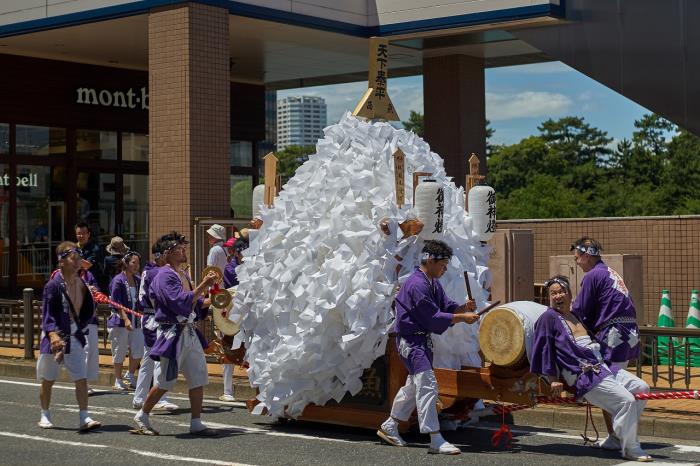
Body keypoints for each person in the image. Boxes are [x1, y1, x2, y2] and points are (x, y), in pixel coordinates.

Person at [531, 276, 651, 462]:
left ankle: (617, 437)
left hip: (602, 364)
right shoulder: (548, 317)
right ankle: (631, 447)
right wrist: (553, 378)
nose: (557, 296)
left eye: (561, 291)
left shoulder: (575, 315)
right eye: (553, 293)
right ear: (549, 298)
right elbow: (544, 348)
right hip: (582, 372)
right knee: (626, 401)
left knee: (642, 388)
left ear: (570, 295)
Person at [377, 240, 479, 455]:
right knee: (427, 384)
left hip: (420, 341)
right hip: (411, 342)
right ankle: (435, 438)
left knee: (414, 386)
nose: (445, 269)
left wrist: (463, 308)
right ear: (430, 260)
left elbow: (446, 306)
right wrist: (462, 317)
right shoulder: (417, 284)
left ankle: (390, 425)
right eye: (443, 265)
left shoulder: (431, 282)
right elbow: (432, 317)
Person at [133, 231, 219, 436]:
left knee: (198, 377)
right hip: (172, 333)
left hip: (188, 331)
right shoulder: (164, 275)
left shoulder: (183, 274)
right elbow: (180, 302)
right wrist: (203, 286)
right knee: (165, 380)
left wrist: (213, 300)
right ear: (166, 253)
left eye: (183, 248)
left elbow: (194, 304)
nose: (182, 251)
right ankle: (142, 415)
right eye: (178, 249)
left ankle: (196, 421)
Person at [571, 237, 641, 450]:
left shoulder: (593, 276)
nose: (576, 262)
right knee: (618, 385)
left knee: (608, 386)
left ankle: (618, 435)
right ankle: (619, 433)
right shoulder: (609, 272)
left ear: (587, 255)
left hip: (614, 336)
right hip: (628, 335)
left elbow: (581, 310)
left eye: (577, 258)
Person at [37, 241, 101, 431]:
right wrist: (52, 334)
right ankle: (45, 414)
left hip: (74, 334)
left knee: (81, 378)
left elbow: (88, 310)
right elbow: (47, 314)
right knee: (48, 379)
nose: (78, 261)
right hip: (55, 336)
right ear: (62, 262)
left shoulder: (82, 283)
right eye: (74, 258)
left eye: (79, 258)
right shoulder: (53, 285)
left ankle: (84, 417)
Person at [133, 240, 178, 411]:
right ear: (160, 255)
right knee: (160, 358)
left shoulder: (149, 271)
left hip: (149, 317)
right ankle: (161, 398)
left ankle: (139, 397)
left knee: (149, 359)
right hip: (156, 318)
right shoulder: (157, 272)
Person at [108, 251, 145, 390]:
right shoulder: (118, 280)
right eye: (133, 262)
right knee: (119, 350)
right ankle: (118, 379)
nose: (136, 266)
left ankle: (129, 374)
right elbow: (117, 303)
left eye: (138, 263)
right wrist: (125, 319)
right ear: (126, 263)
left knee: (139, 348)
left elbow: (141, 299)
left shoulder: (137, 279)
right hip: (120, 321)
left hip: (136, 320)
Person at [219, 236, 238, 402]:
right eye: (229, 248)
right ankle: (227, 389)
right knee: (229, 349)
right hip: (233, 312)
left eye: (233, 248)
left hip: (248, 312)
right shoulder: (230, 268)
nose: (230, 251)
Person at [75, 222, 105, 290]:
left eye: (83, 233)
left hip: (92, 285)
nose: (81, 236)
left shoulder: (95, 248)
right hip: (76, 285)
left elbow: (87, 265)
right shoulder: (73, 248)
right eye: (79, 234)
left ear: (88, 234)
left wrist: (72, 258)